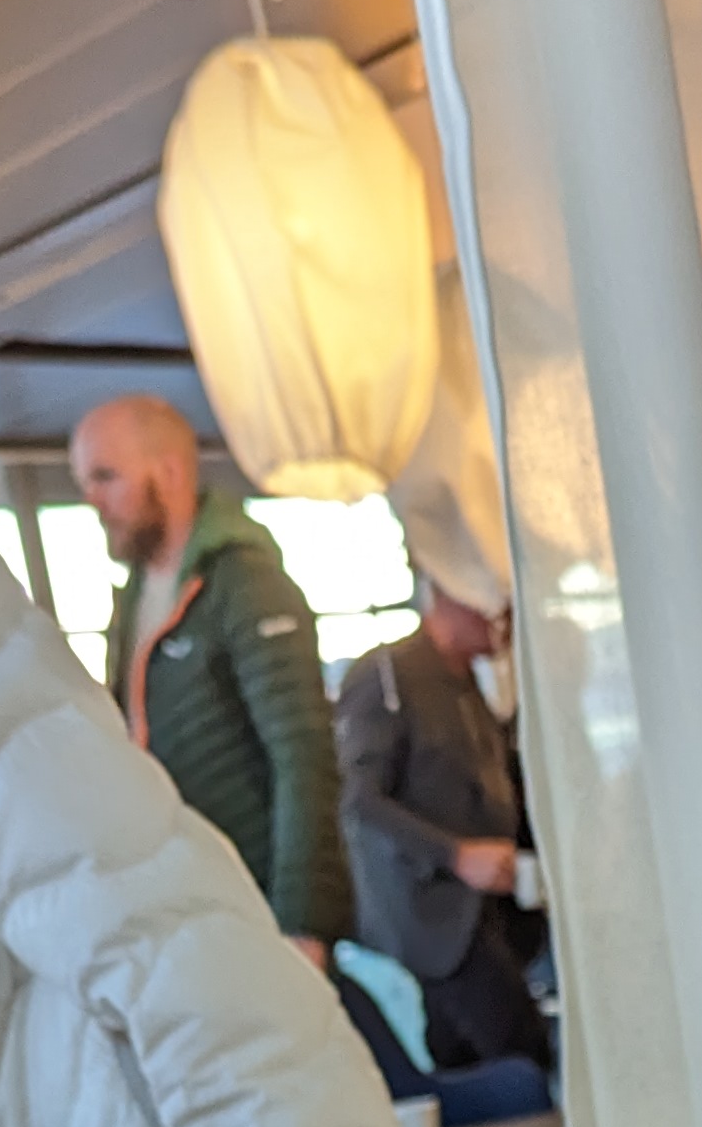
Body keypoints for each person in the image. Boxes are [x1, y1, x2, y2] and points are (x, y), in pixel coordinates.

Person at [70, 394, 352, 964]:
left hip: (255, 901)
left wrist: (302, 922)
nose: (93, 501)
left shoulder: (244, 583)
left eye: (106, 477)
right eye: (85, 484)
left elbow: (303, 754)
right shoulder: (134, 598)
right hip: (187, 903)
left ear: (170, 471)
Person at [335, 577, 552, 1073]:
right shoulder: (387, 676)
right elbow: (361, 800)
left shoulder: (466, 681)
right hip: (433, 917)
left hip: (492, 912)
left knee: (467, 1064)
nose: (502, 621)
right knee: (522, 1056)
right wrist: (457, 855)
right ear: (450, 594)